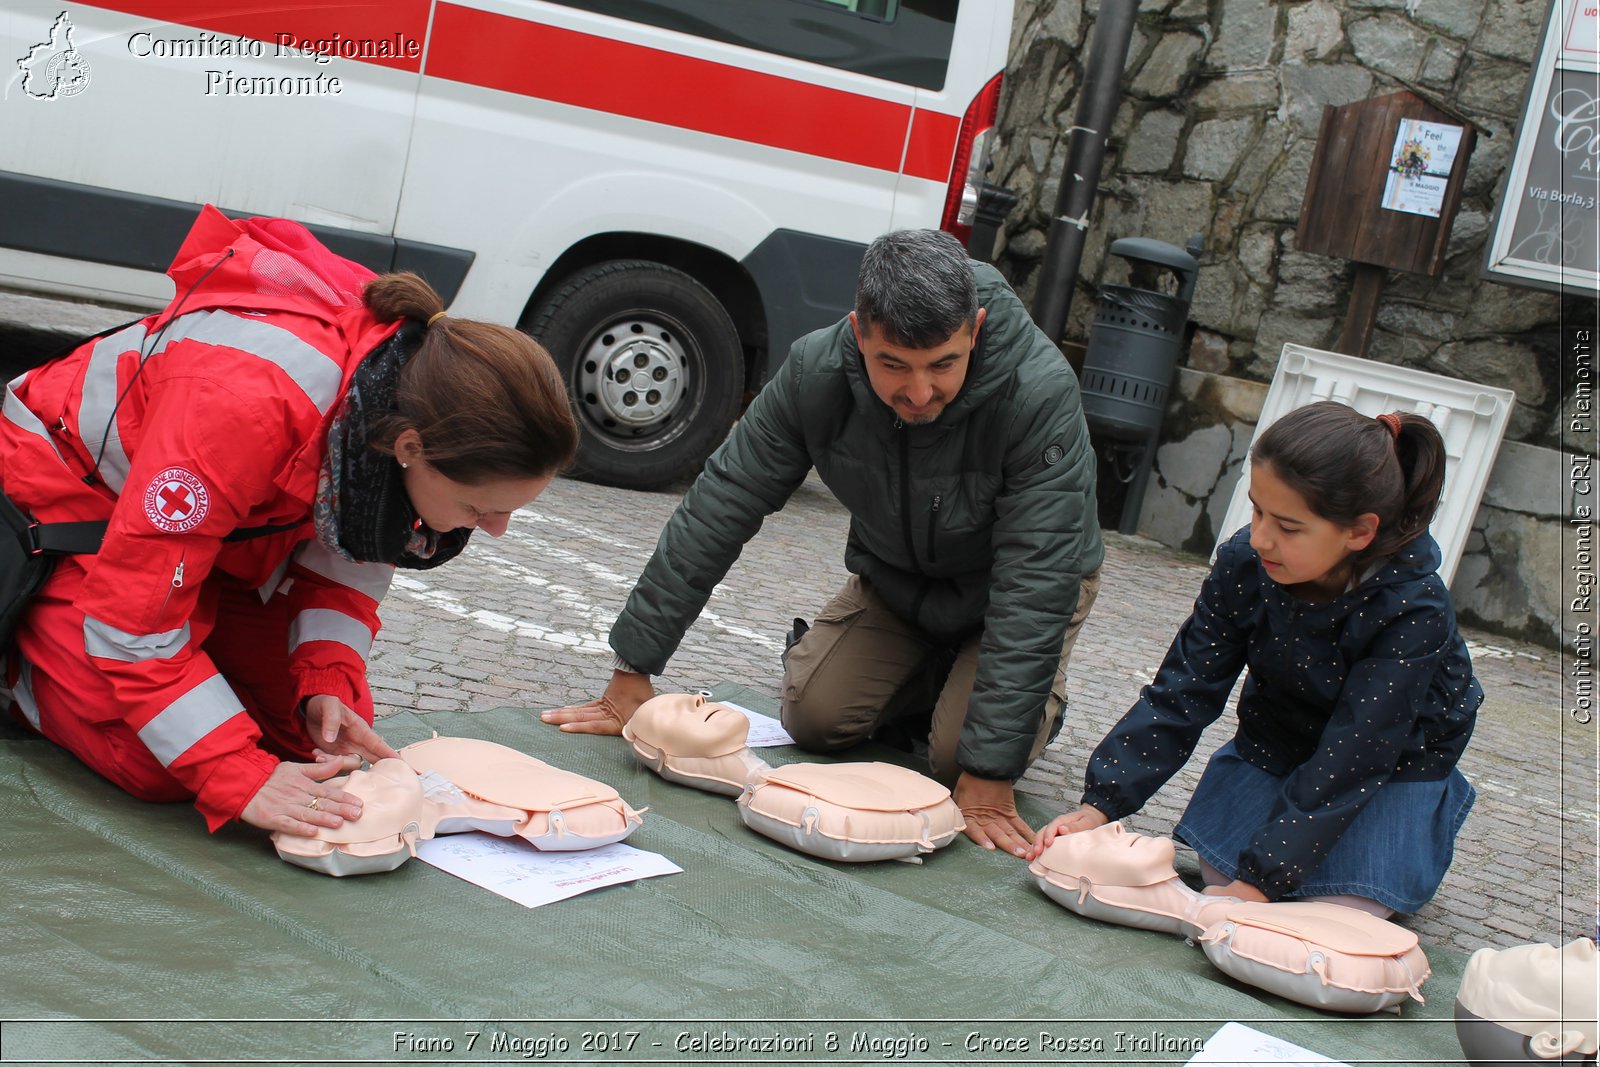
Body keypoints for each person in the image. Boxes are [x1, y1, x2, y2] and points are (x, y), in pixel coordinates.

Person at [0, 206, 577, 840]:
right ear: (411, 448)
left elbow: (355, 542)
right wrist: (231, 771)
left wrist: (326, 673)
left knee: (312, 742)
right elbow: (132, 619)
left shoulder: (404, 402)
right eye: (480, 509)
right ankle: (22, 659)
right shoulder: (241, 406)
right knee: (157, 763)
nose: (495, 530)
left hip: (196, 533)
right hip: (60, 501)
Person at [543, 229, 1104, 856]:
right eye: (894, 364)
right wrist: (633, 671)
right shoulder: (816, 371)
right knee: (814, 716)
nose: (919, 393)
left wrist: (991, 772)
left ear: (973, 329)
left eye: (942, 364)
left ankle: (1022, 701)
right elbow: (722, 502)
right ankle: (936, 679)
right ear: (859, 332)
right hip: (896, 581)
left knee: (957, 758)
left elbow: (1037, 580)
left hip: (1015, 586)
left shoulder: (1039, 391)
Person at [1030, 401, 1481, 918]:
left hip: (1387, 763)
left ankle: (1412, 830)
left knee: (1344, 909)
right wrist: (1100, 804)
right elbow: (1185, 687)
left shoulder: (1414, 608)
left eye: (1288, 527)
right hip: (1280, 735)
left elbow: (1355, 754)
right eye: (1257, 510)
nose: (1260, 536)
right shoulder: (1245, 562)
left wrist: (1261, 884)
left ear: (1359, 533)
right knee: (1223, 870)